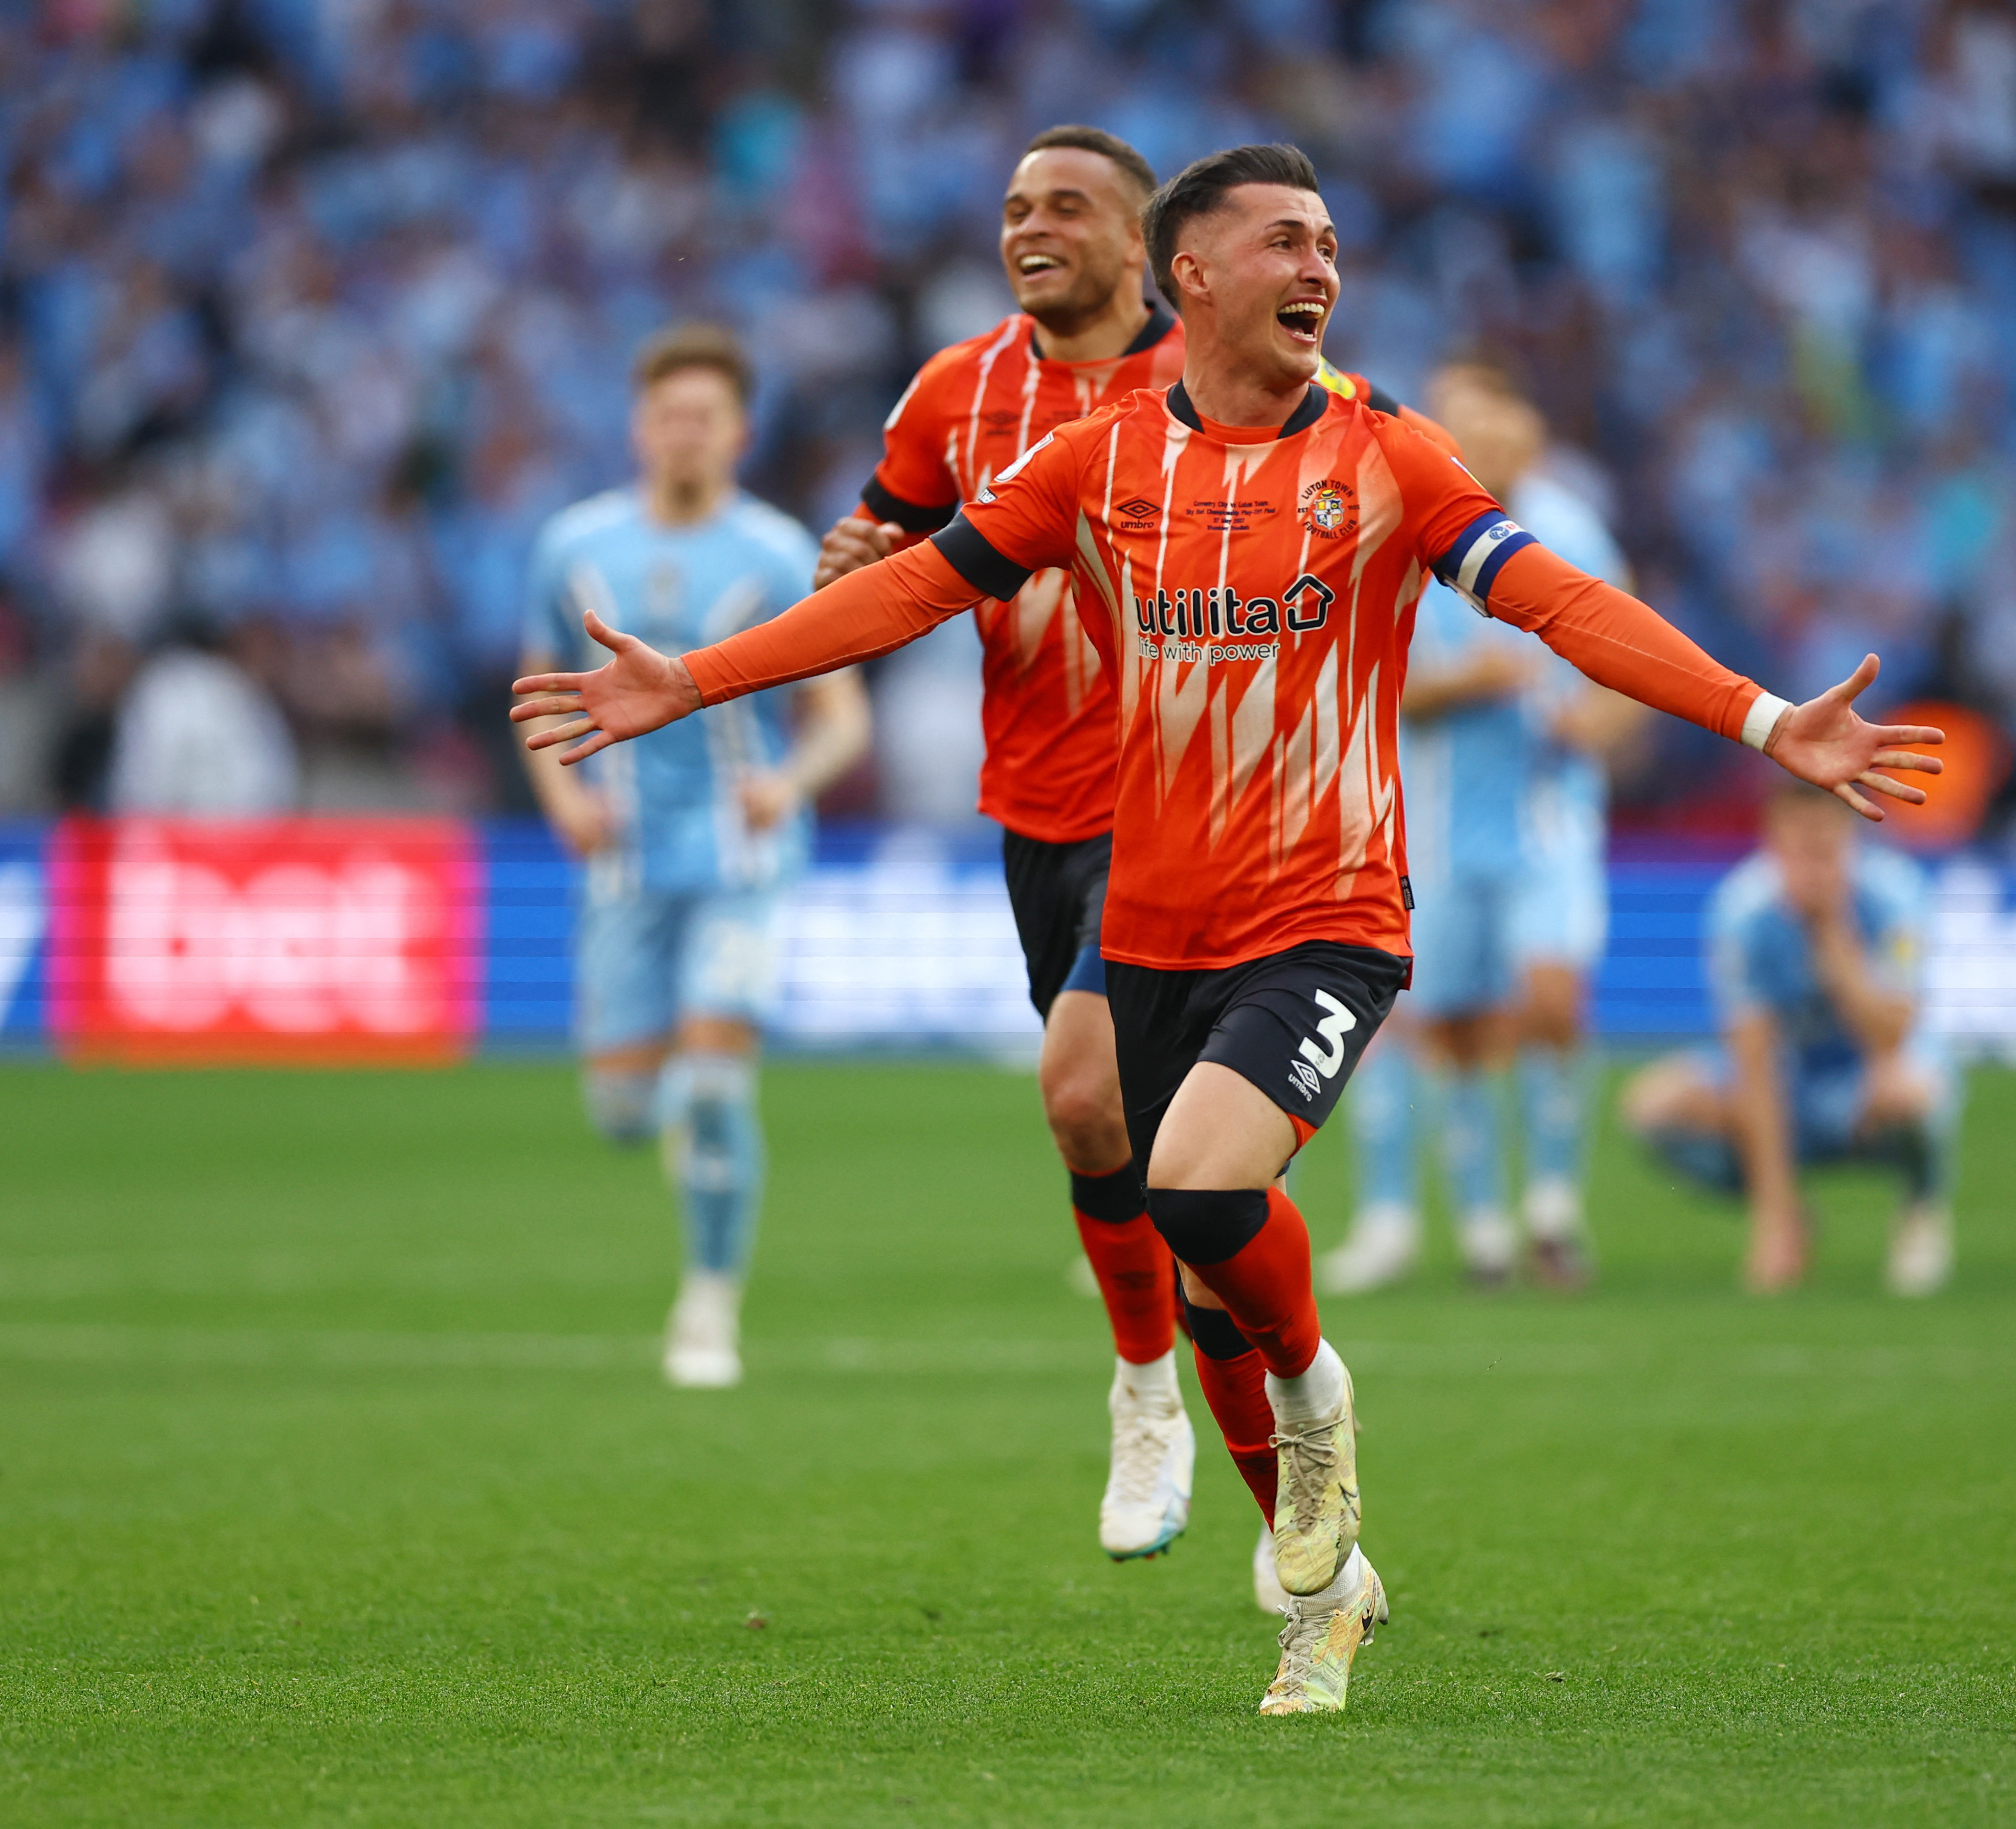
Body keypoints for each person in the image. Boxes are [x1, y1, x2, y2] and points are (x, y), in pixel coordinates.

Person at [513, 143, 1941, 1715]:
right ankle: (1320, 1590)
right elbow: (911, 591)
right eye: (1282, 240)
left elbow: (1553, 601)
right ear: (1191, 274)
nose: (1319, 264)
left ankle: (1316, 1390)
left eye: (1330, 240)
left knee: (1195, 1190)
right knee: (1198, 1270)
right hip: (1151, 918)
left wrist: (1757, 716)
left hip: (1325, 914)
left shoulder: (1390, 451)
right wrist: (695, 678)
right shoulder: (1104, 458)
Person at [806, 125, 1445, 1583]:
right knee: (1114, 1142)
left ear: (1147, 251)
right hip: (1034, 808)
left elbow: (1369, 458)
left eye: (1067, 207)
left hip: (1175, 812)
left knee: (1088, 1090)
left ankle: (1150, 1398)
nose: (1031, 228)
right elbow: (884, 538)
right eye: (1014, 204)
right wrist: (841, 565)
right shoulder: (952, 391)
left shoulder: (1221, 382)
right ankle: (1229, 1458)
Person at [516, 323, 869, 1388]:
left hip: (740, 861)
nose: (684, 434)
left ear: (738, 432)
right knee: (627, 1111)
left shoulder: (773, 552)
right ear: (639, 427)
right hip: (624, 863)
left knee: (715, 1085)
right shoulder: (573, 546)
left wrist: (788, 784)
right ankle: (672, 1119)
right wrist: (562, 800)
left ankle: (708, 1305)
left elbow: (842, 718)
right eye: (668, 415)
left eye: (704, 417)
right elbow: (534, 692)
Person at [1329, 359, 1646, 1293]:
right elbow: (1370, 686)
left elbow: (1632, 660)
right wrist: (1471, 685)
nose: (1476, 439)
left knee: (1551, 999)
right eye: (1455, 421)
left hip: (1544, 819)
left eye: (1492, 419)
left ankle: (1552, 1208)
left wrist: (1596, 722)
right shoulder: (1398, 526)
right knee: (1452, 1026)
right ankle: (1481, 1229)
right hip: (1433, 823)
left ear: (1528, 434)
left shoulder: (1576, 530)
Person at [1617, 776, 1958, 1296]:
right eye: (1796, 850)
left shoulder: (1895, 897)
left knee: (1909, 1092)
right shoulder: (1742, 913)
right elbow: (1754, 1063)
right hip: (1790, 1081)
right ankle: (1791, 1217)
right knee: (1652, 1106)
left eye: (1824, 849)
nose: (1810, 868)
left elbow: (1894, 1034)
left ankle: (1919, 1205)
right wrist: (1772, 1223)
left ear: (1851, 841)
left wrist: (1832, 940)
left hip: (1860, 1078)